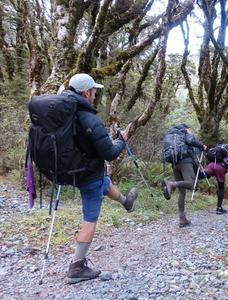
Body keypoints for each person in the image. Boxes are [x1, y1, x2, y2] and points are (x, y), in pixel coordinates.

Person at [62, 73, 138, 284]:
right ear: (86, 92)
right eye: (94, 91)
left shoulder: (66, 115)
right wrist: (122, 140)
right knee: (90, 217)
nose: (95, 95)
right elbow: (110, 153)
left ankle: (126, 202)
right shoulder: (89, 119)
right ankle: (76, 268)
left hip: (72, 170)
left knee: (105, 184)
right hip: (88, 175)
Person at [161, 124, 207, 227]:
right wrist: (201, 145)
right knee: (191, 184)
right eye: (190, 129)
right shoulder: (185, 133)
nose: (190, 131)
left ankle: (182, 219)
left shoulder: (172, 136)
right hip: (185, 162)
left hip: (175, 164)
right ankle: (171, 184)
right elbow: (191, 141)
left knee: (182, 192)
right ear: (186, 129)